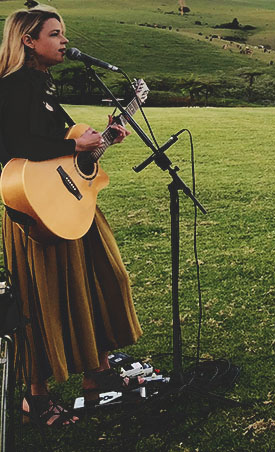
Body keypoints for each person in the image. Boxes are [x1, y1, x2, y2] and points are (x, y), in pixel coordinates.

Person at [0, 6, 143, 426]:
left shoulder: (41, 84)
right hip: (34, 208)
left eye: (64, 33)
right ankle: (35, 397)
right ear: (29, 40)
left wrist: (100, 143)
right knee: (42, 298)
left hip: (66, 201)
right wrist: (74, 148)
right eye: (56, 33)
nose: (64, 41)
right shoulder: (13, 84)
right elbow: (13, 146)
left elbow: (59, 148)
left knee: (99, 280)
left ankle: (96, 372)